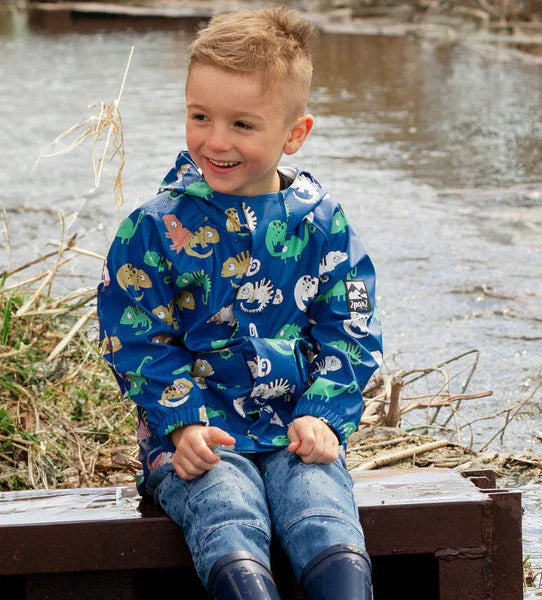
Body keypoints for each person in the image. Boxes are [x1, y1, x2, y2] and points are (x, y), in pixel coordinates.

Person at [97, 6, 382, 599]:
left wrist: (324, 414)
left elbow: (351, 326)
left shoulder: (323, 225)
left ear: (294, 134)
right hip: (196, 440)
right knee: (226, 507)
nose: (216, 141)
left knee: (321, 508)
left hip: (296, 431)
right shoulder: (156, 228)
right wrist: (181, 423)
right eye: (200, 116)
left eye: (243, 125)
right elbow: (135, 335)